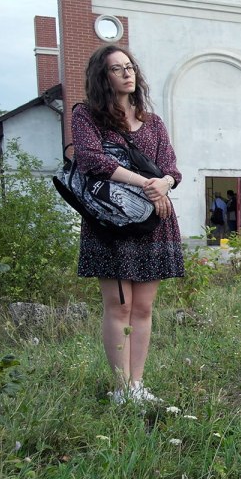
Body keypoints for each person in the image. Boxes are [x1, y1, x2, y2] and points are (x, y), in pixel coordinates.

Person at [72, 44, 183, 405]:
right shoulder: (86, 115)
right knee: (118, 306)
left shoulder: (153, 122)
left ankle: (138, 383)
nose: (126, 73)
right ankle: (121, 387)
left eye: (129, 66)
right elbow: (91, 159)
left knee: (144, 307)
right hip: (112, 220)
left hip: (153, 220)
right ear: (102, 77)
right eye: (117, 69)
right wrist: (145, 183)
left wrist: (164, 183)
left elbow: (172, 168)